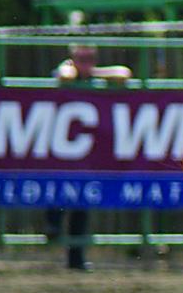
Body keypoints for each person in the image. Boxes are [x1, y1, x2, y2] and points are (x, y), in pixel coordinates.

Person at [49, 45, 134, 271]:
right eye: (81, 57)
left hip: (85, 153)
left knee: (81, 202)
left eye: (90, 58)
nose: (86, 62)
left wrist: (92, 72)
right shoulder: (65, 72)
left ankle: (75, 258)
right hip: (58, 149)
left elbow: (124, 73)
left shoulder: (96, 78)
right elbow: (64, 76)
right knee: (56, 191)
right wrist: (74, 69)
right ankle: (52, 229)